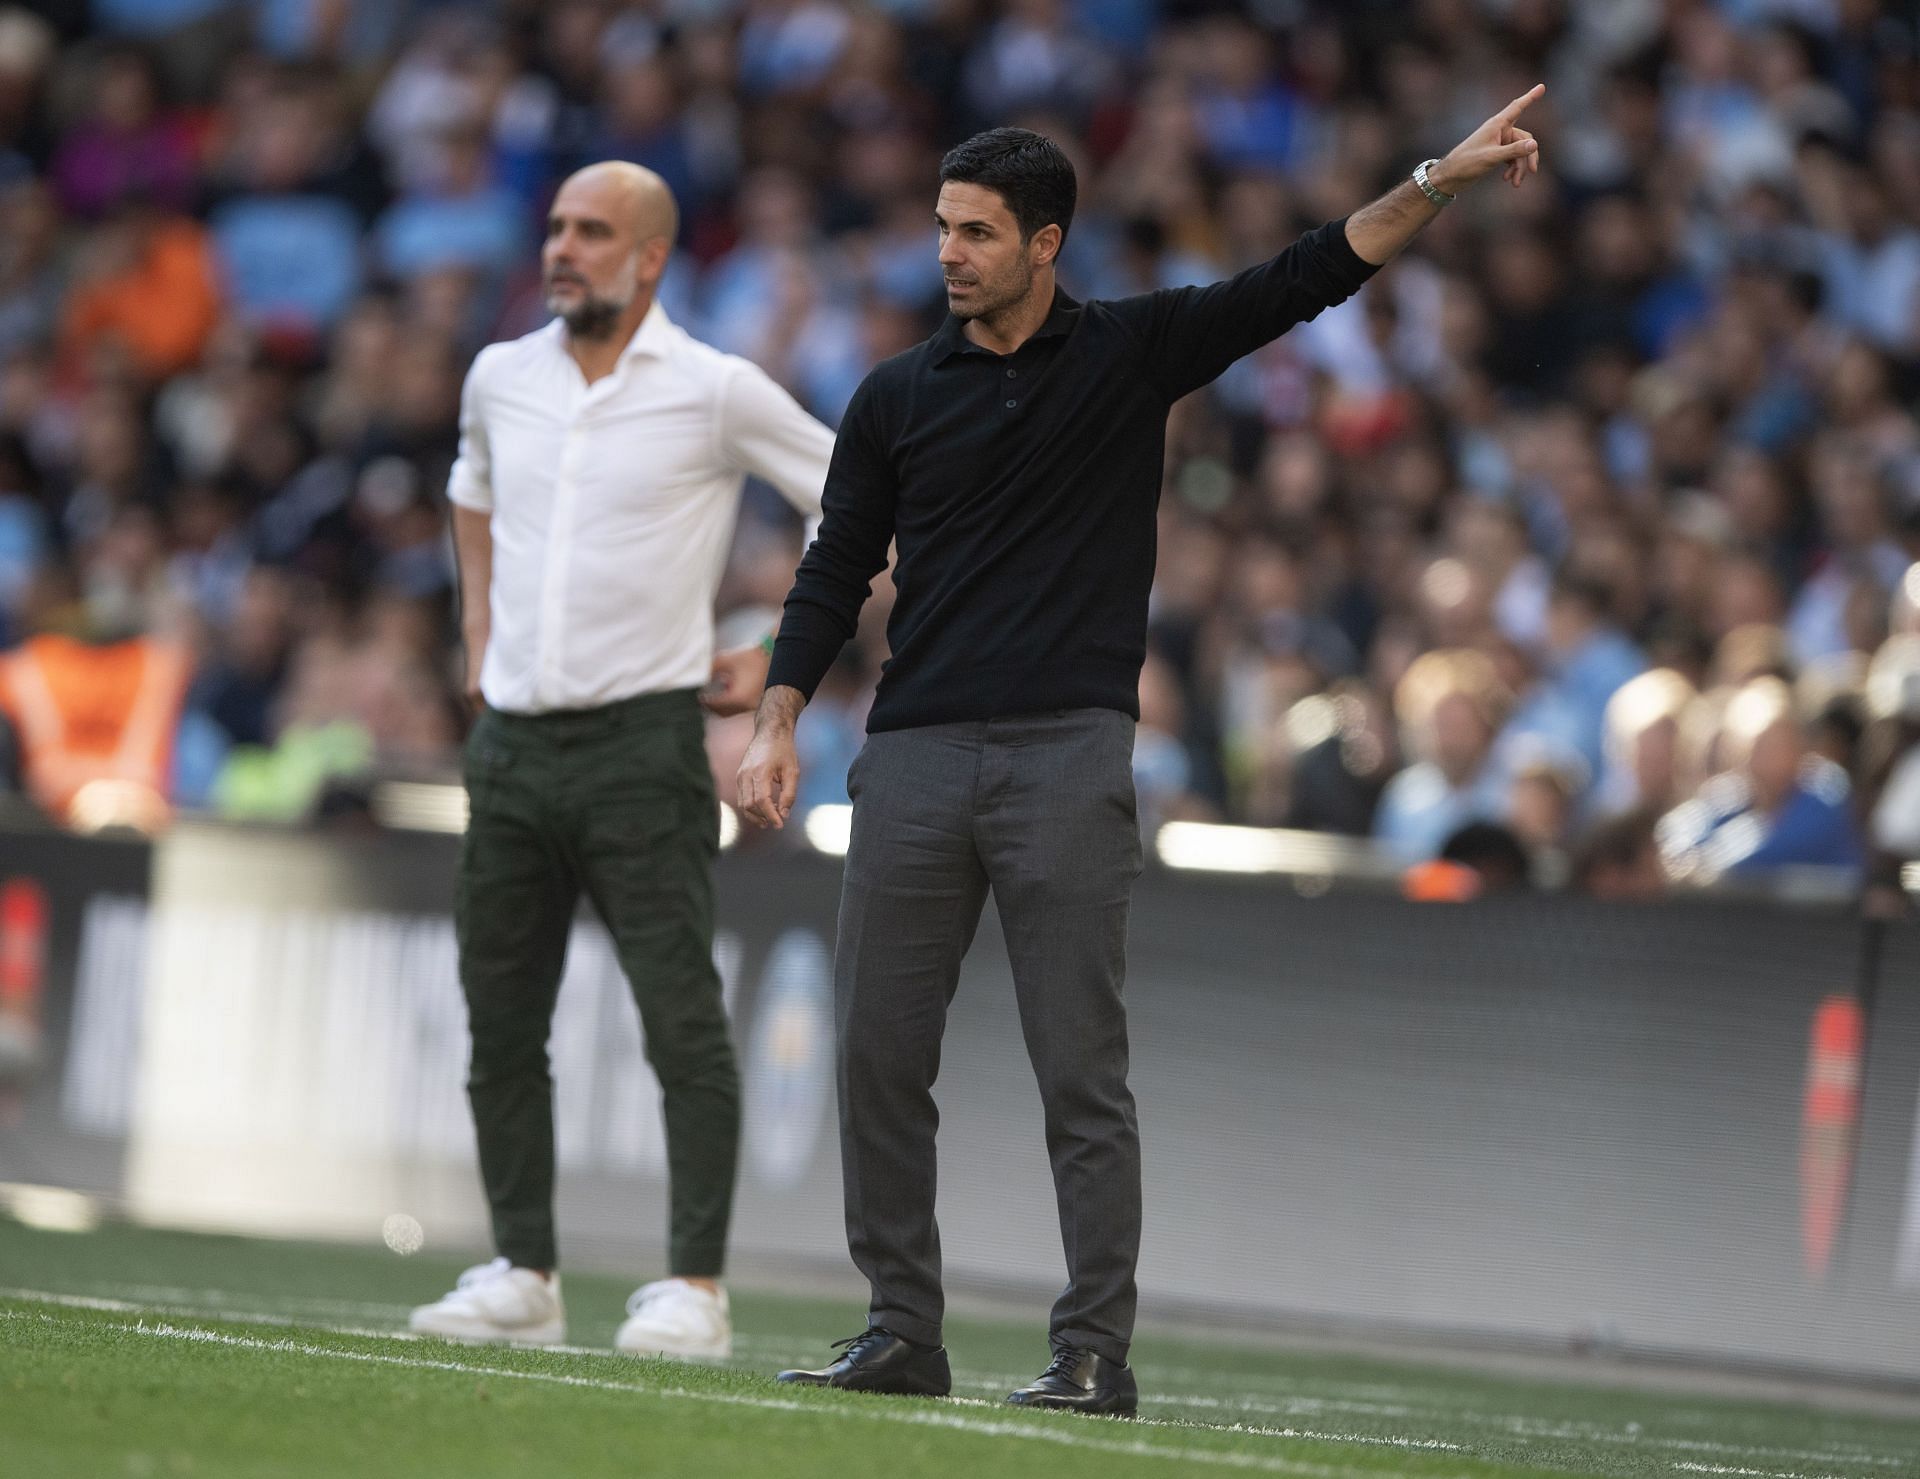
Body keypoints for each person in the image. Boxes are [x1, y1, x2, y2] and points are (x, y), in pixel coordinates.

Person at [737, 97, 1546, 1415]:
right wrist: (778, 708)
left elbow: (1310, 273)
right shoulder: (893, 395)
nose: (947, 254)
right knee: (877, 1053)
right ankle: (901, 1324)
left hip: (1067, 751)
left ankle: (1093, 1347)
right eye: (944, 228)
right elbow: (838, 564)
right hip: (916, 753)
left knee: (1080, 1068)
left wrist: (1435, 180)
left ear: (1045, 243)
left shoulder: (1129, 352)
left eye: (977, 233)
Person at [407, 162, 833, 1360]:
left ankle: (694, 1286)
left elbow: (856, 498)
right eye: (554, 227)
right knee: (498, 1018)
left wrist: (776, 652)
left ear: (651, 257)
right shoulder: (500, 375)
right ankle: (521, 1268)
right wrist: (476, 635)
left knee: (678, 1020)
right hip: (510, 747)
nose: (562, 247)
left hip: (644, 744)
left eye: (592, 232)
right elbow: (470, 490)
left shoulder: (714, 390)